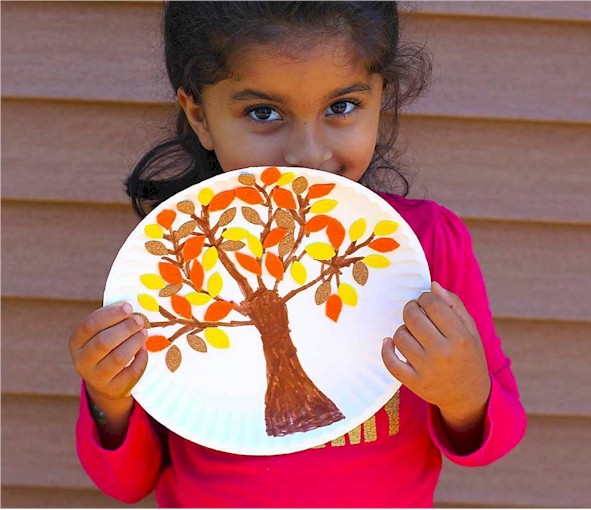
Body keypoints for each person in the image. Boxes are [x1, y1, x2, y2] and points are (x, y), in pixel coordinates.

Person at [68, 2, 526, 507]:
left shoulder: (428, 244)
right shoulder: (169, 259)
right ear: (200, 114)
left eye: (342, 106)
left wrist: (463, 394)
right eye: (263, 113)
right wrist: (109, 399)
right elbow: (127, 484)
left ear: (380, 98)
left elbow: (492, 444)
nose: (309, 153)